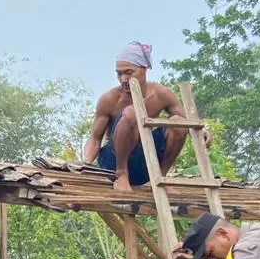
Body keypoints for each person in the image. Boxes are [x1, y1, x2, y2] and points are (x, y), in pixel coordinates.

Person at [82, 41, 210, 192]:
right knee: (131, 113)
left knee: (178, 122)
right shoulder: (110, 99)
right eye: (119, 74)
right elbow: (95, 139)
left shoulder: (160, 94)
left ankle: (161, 178)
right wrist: (85, 164)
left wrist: (203, 131)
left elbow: (187, 122)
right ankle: (122, 175)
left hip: (145, 165)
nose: (123, 79)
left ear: (144, 69)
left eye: (129, 72)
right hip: (112, 163)